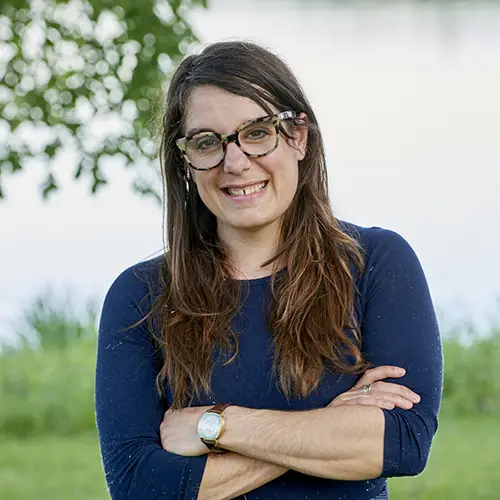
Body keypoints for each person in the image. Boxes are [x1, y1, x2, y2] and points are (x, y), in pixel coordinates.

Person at [95, 41, 443, 500]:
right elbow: (139, 486)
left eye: (257, 132)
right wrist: (329, 427)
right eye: (206, 143)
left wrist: (213, 424)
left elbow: (403, 442)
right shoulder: (142, 296)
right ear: (185, 163)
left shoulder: (375, 262)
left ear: (298, 137)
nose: (235, 163)